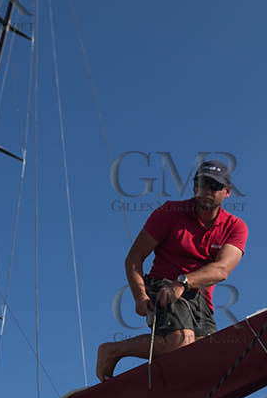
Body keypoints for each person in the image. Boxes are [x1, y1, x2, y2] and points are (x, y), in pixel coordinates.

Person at [96, 161, 247, 381]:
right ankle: (113, 350)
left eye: (214, 186)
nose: (207, 191)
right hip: (162, 285)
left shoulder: (235, 226)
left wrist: (184, 283)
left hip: (199, 297)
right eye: (203, 184)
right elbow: (134, 257)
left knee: (206, 357)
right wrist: (140, 296)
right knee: (180, 343)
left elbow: (222, 269)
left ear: (227, 192)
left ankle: (162, 395)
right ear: (194, 188)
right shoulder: (169, 213)